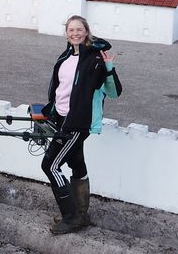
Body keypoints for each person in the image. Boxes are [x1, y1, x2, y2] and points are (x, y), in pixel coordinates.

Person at [40, 15, 122, 235]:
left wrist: (109, 67)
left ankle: (71, 217)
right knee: (77, 164)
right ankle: (82, 214)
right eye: (71, 30)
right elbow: (60, 89)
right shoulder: (65, 57)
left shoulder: (94, 60)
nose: (75, 33)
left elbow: (114, 92)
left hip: (77, 124)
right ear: (66, 33)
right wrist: (51, 110)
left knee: (50, 165)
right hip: (62, 118)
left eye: (79, 29)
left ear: (86, 32)